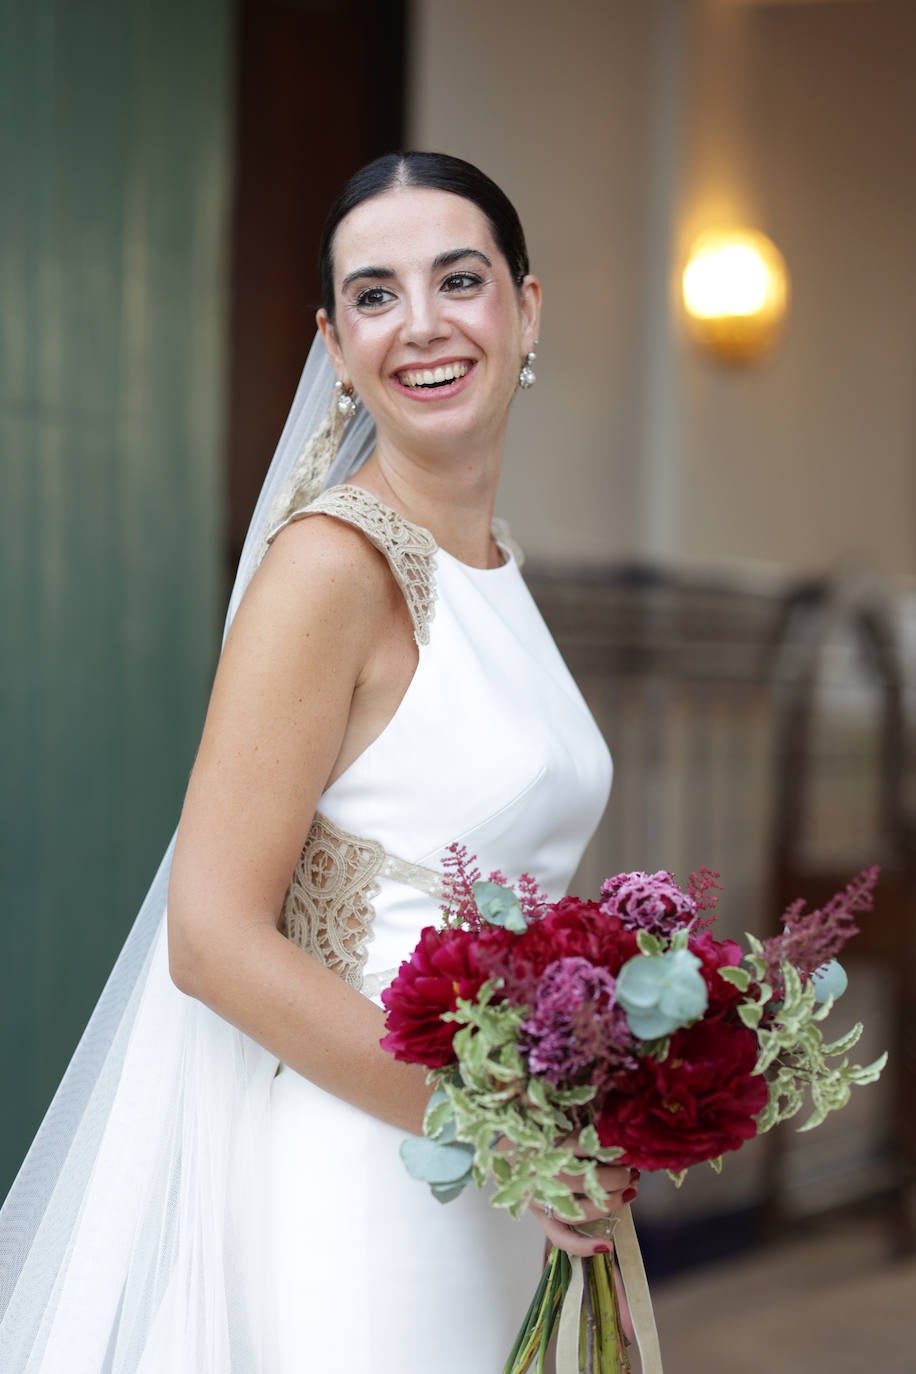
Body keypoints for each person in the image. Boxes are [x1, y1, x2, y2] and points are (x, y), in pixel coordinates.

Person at [0, 152, 634, 1373]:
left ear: (527, 307)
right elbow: (212, 938)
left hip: (512, 1180)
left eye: (460, 279)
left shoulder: (494, 560)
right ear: (334, 346)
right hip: (373, 1189)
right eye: (375, 296)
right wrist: (497, 1133)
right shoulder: (332, 568)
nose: (423, 325)